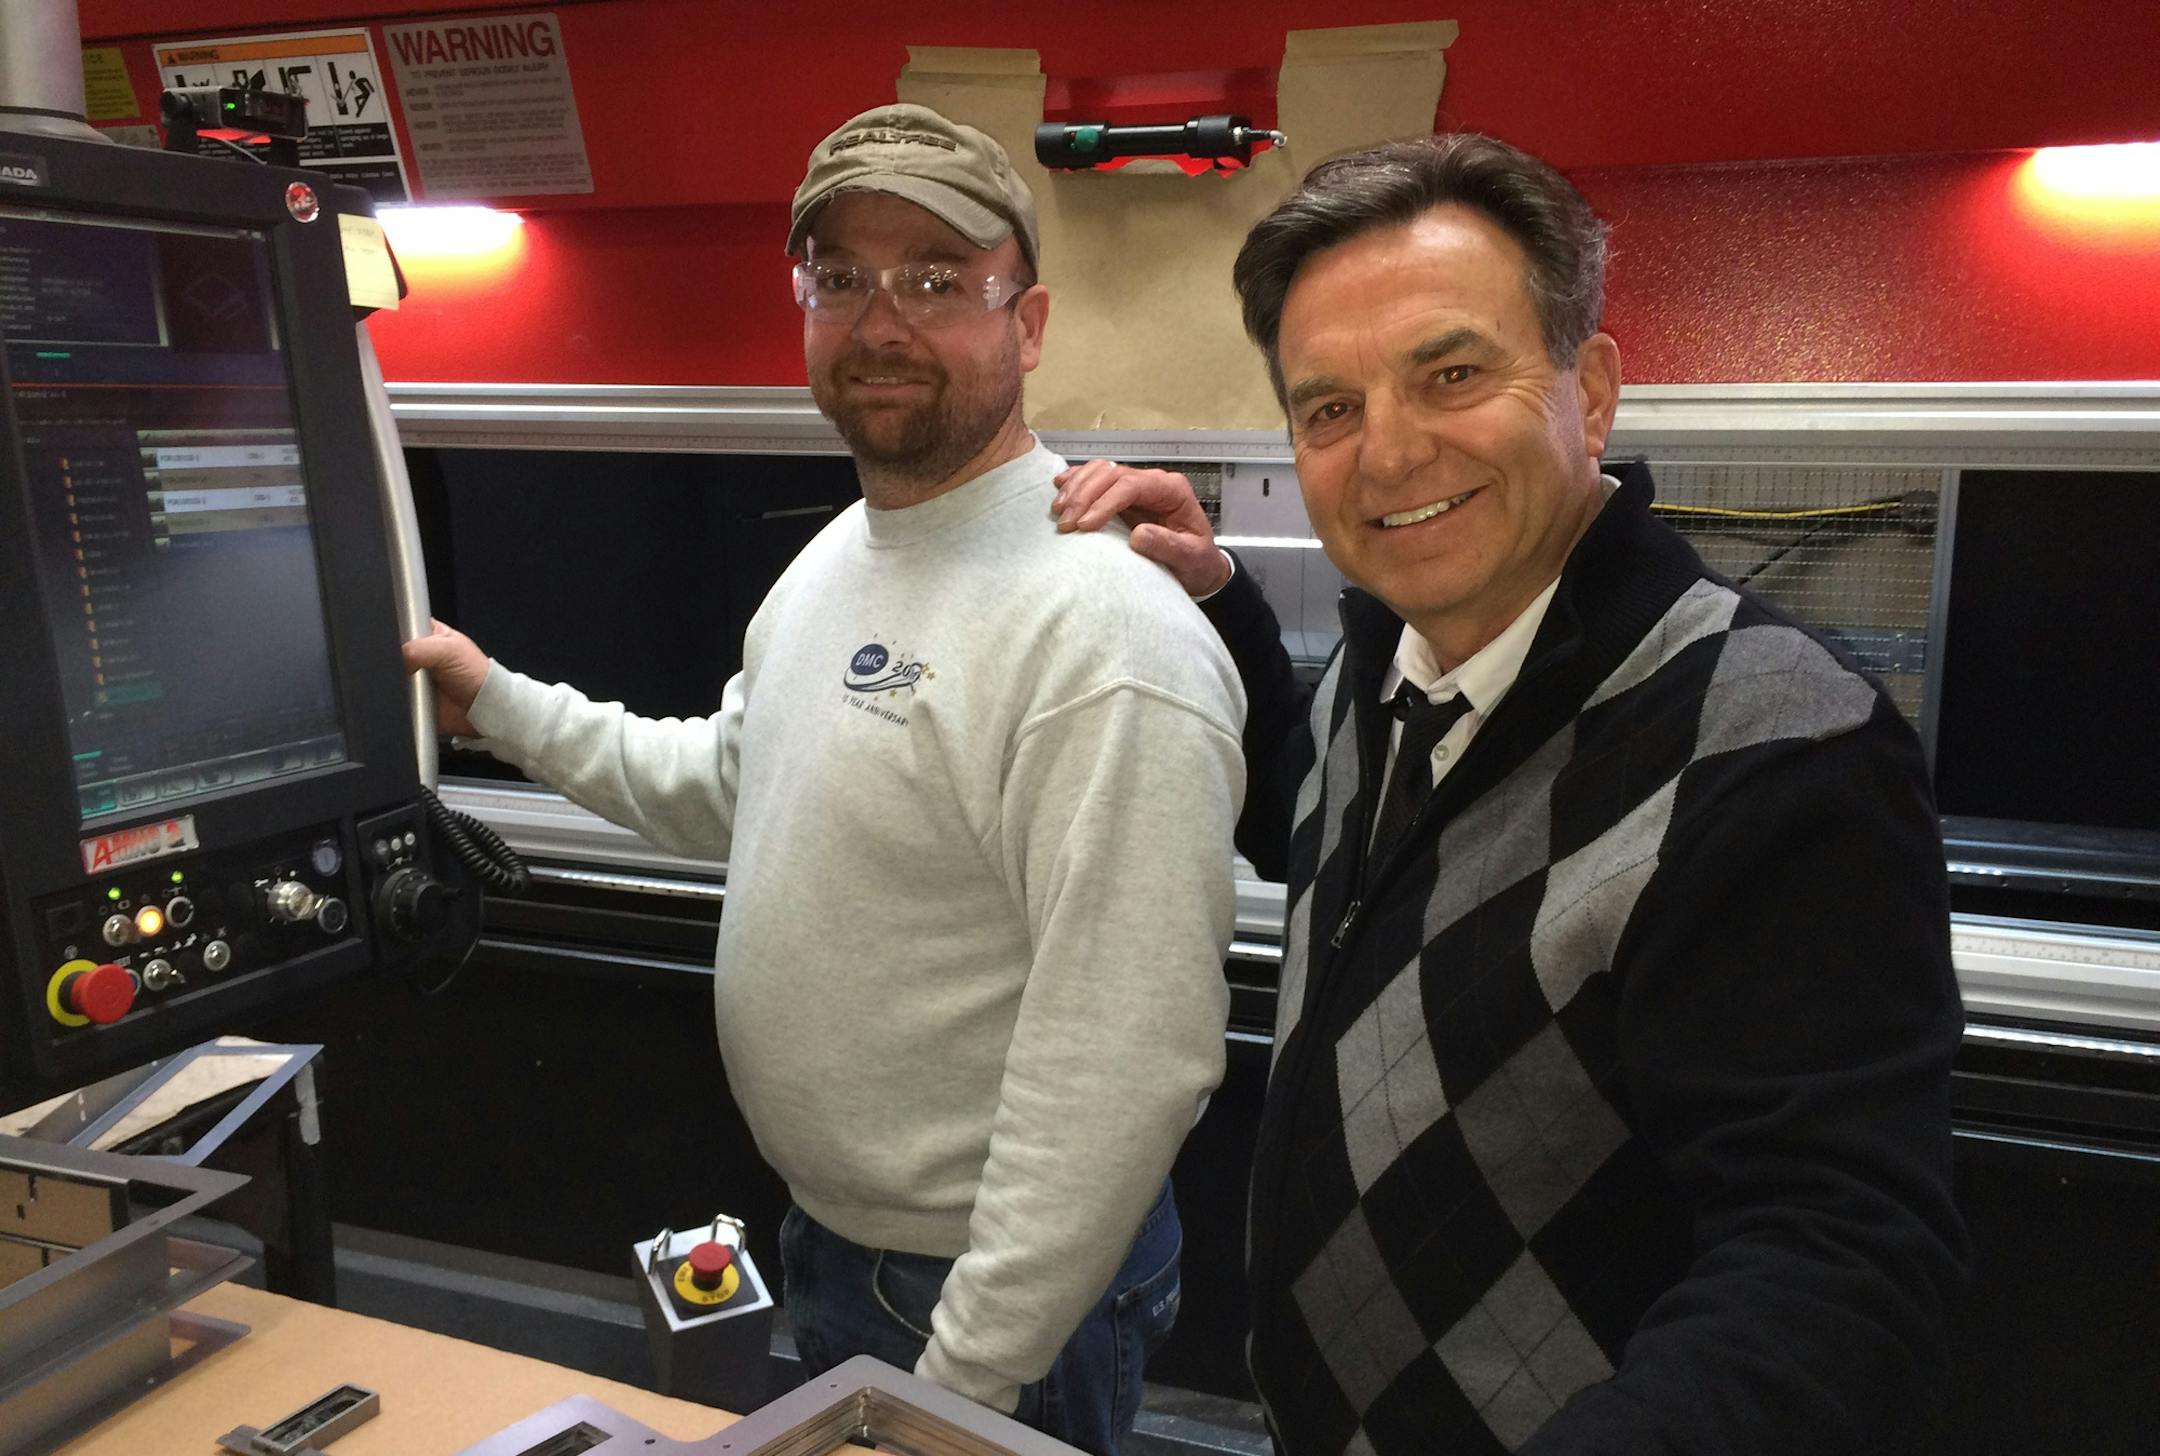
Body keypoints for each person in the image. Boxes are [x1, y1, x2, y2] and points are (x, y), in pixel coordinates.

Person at [1052, 133, 1966, 1455]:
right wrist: (1224, 602)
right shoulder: (1385, 661)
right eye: (1329, 408)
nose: (1386, 456)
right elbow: (1317, 828)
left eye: (1453, 373)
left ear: (1588, 394)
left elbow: (1837, 1270)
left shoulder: (1776, 745)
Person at [403, 103, 1247, 1453]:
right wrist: (493, 701)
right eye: (840, 280)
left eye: (932, 279)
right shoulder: (835, 564)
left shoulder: (1104, 630)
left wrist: (958, 1385)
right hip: (841, 1243)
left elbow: (1127, 1059)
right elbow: (728, 786)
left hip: (991, 1303)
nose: (880, 320)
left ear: (1025, 326)